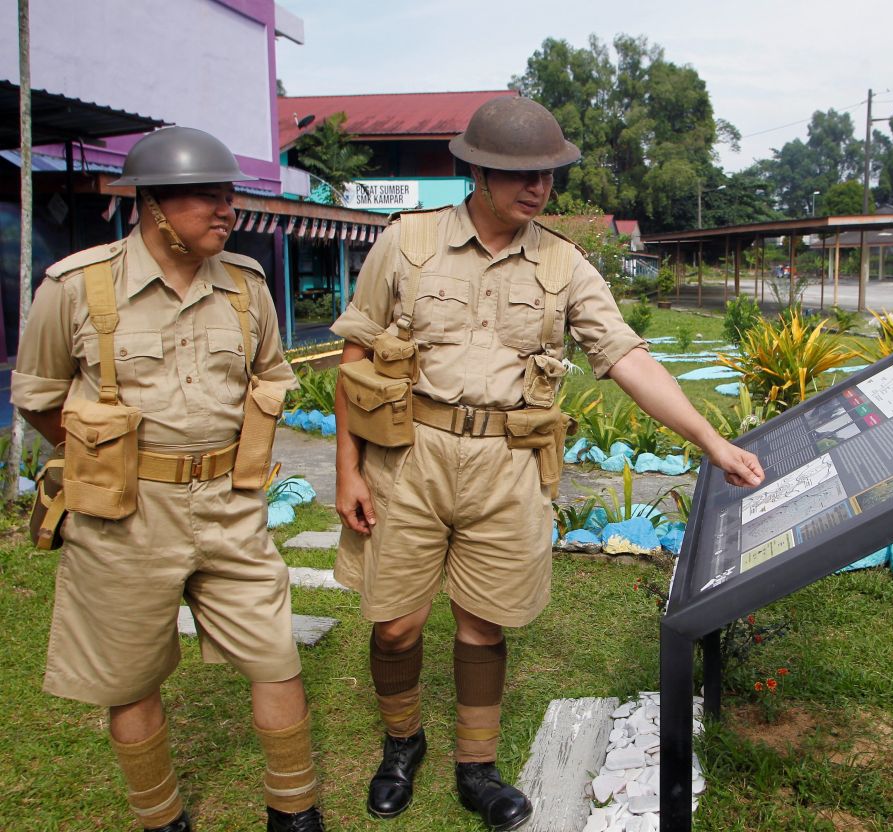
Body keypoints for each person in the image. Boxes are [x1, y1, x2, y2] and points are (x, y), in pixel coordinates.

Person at [331, 96, 765, 830]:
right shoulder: (406, 244)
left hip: (508, 464)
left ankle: (477, 764)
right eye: (519, 174)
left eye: (549, 175)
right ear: (477, 169)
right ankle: (401, 743)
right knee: (396, 623)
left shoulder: (563, 262)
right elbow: (355, 357)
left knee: (484, 623)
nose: (538, 189)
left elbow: (626, 355)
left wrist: (711, 442)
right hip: (408, 459)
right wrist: (346, 471)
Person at [11, 127, 325, 832]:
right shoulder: (75, 288)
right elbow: (37, 398)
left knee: (276, 657)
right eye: (207, 198)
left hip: (231, 507)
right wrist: (100, 457)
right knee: (129, 677)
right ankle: (163, 819)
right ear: (153, 207)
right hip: (123, 513)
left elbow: (271, 378)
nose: (226, 210)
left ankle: (295, 811)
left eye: (228, 195)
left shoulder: (246, 288)